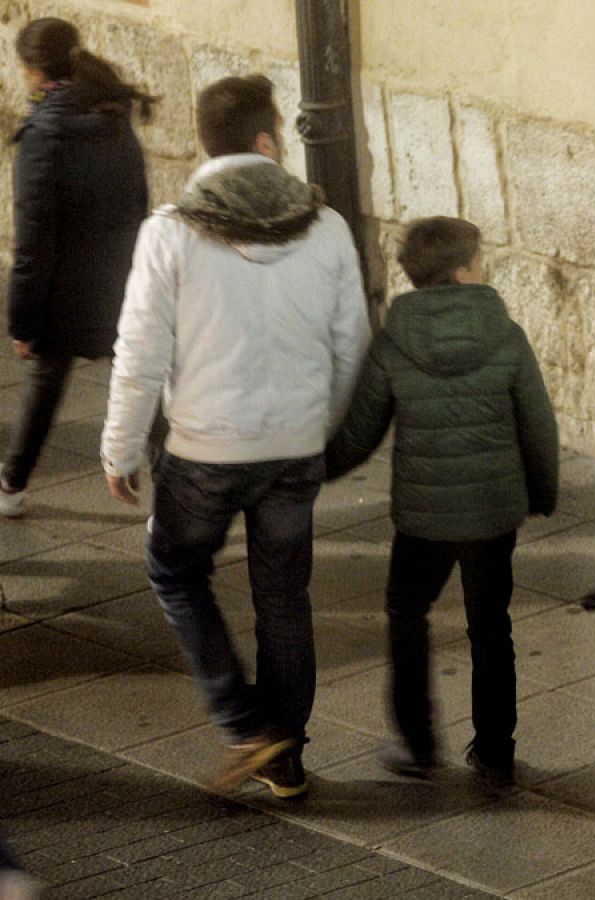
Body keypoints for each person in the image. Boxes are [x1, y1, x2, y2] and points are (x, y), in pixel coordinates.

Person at [99, 74, 370, 799]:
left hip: (204, 450)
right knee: (285, 598)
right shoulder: (329, 227)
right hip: (294, 447)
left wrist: (119, 449)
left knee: (175, 570)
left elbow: (140, 351)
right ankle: (284, 757)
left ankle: (245, 724)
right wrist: (324, 429)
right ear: (265, 141)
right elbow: (353, 345)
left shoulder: (170, 232)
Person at [324, 216, 559, 787]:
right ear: (461, 271)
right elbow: (538, 426)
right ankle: (495, 751)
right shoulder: (506, 335)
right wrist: (542, 493)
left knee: (407, 612)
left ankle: (419, 742)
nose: (484, 269)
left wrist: (314, 470)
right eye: (479, 260)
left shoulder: (394, 340)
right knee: (490, 625)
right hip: (491, 514)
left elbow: (361, 431)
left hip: (424, 520)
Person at [2, 17, 152, 517]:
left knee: (46, 386)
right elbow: (138, 204)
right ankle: (175, 492)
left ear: (31, 71)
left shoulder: (43, 138)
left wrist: (21, 321)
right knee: (140, 384)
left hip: (63, 294)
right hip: (119, 282)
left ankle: (13, 486)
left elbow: (32, 245)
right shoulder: (112, 116)